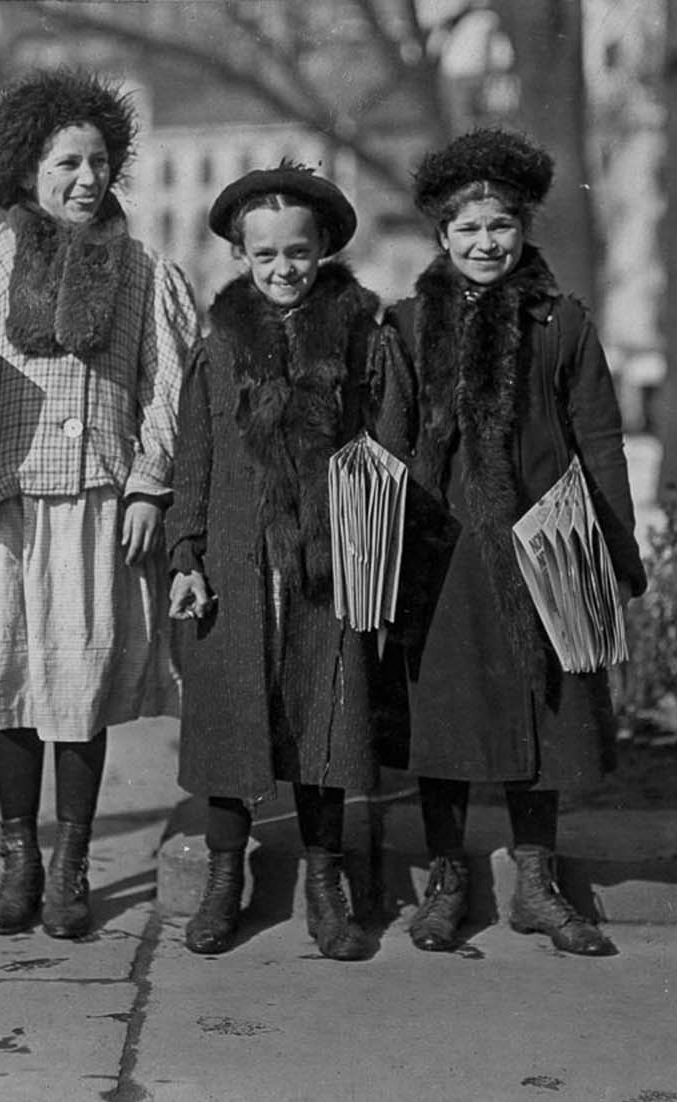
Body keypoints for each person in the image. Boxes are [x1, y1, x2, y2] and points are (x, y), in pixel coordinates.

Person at [0, 69, 199, 940]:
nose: (86, 180)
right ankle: (19, 862)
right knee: (9, 691)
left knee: (77, 690)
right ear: (24, 170)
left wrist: (150, 483)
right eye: (66, 163)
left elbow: (168, 387)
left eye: (100, 163)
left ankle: (73, 865)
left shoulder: (145, 273)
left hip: (97, 511)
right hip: (0, 513)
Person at [377, 128, 648, 956]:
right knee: (444, 714)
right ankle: (448, 880)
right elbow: (386, 443)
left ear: (523, 228)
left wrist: (614, 546)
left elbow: (599, 437)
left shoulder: (559, 324)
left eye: (500, 226)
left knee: (545, 712)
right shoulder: (408, 324)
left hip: (543, 542)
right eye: (467, 230)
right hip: (444, 549)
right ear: (442, 238)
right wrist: (379, 548)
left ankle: (536, 881)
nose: (485, 243)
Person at [168, 163, 398, 960]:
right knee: (232, 716)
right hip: (236, 564)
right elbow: (192, 460)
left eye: (297, 253)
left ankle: (325, 880)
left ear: (324, 248)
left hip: (325, 563)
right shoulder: (218, 349)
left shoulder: (359, 339)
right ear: (240, 256)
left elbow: (382, 446)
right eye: (263, 256)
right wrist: (185, 553)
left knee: (323, 714)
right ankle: (226, 874)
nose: (282, 271)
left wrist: (367, 539)